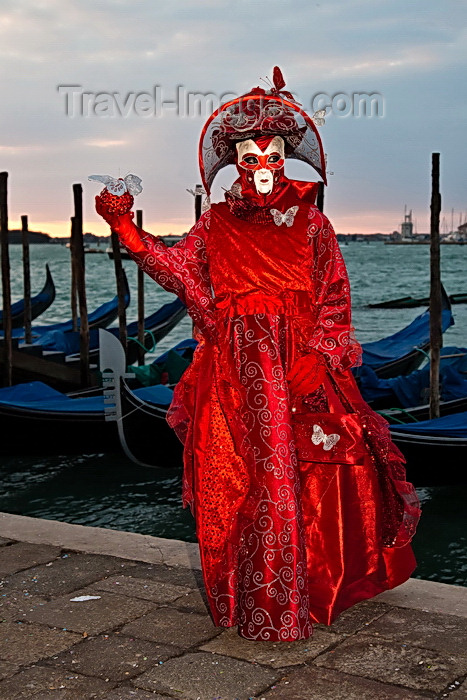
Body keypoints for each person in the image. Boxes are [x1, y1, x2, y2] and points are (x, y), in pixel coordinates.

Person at [93, 67, 420, 642]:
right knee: (243, 478)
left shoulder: (314, 222)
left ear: (285, 158)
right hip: (233, 367)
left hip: (298, 362)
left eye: (272, 156)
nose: (263, 166)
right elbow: (176, 271)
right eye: (251, 157)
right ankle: (259, 601)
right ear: (236, 162)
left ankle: (298, 598)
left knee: (304, 474)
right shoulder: (216, 222)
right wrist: (124, 226)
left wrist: (319, 355)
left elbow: (334, 293)